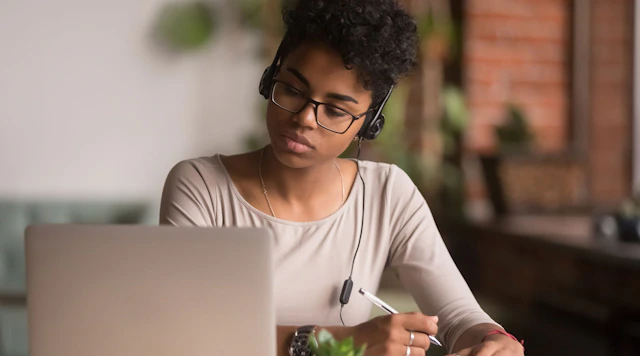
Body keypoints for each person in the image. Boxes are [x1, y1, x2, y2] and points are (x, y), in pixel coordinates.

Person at [159, 0, 525, 355]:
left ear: (368, 123)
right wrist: (332, 343)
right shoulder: (200, 186)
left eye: (335, 110)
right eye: (291, 89)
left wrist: (493, 340)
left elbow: (460, 318)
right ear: (270, 79)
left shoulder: (388, 194)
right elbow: (183, 331)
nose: (303, 119)